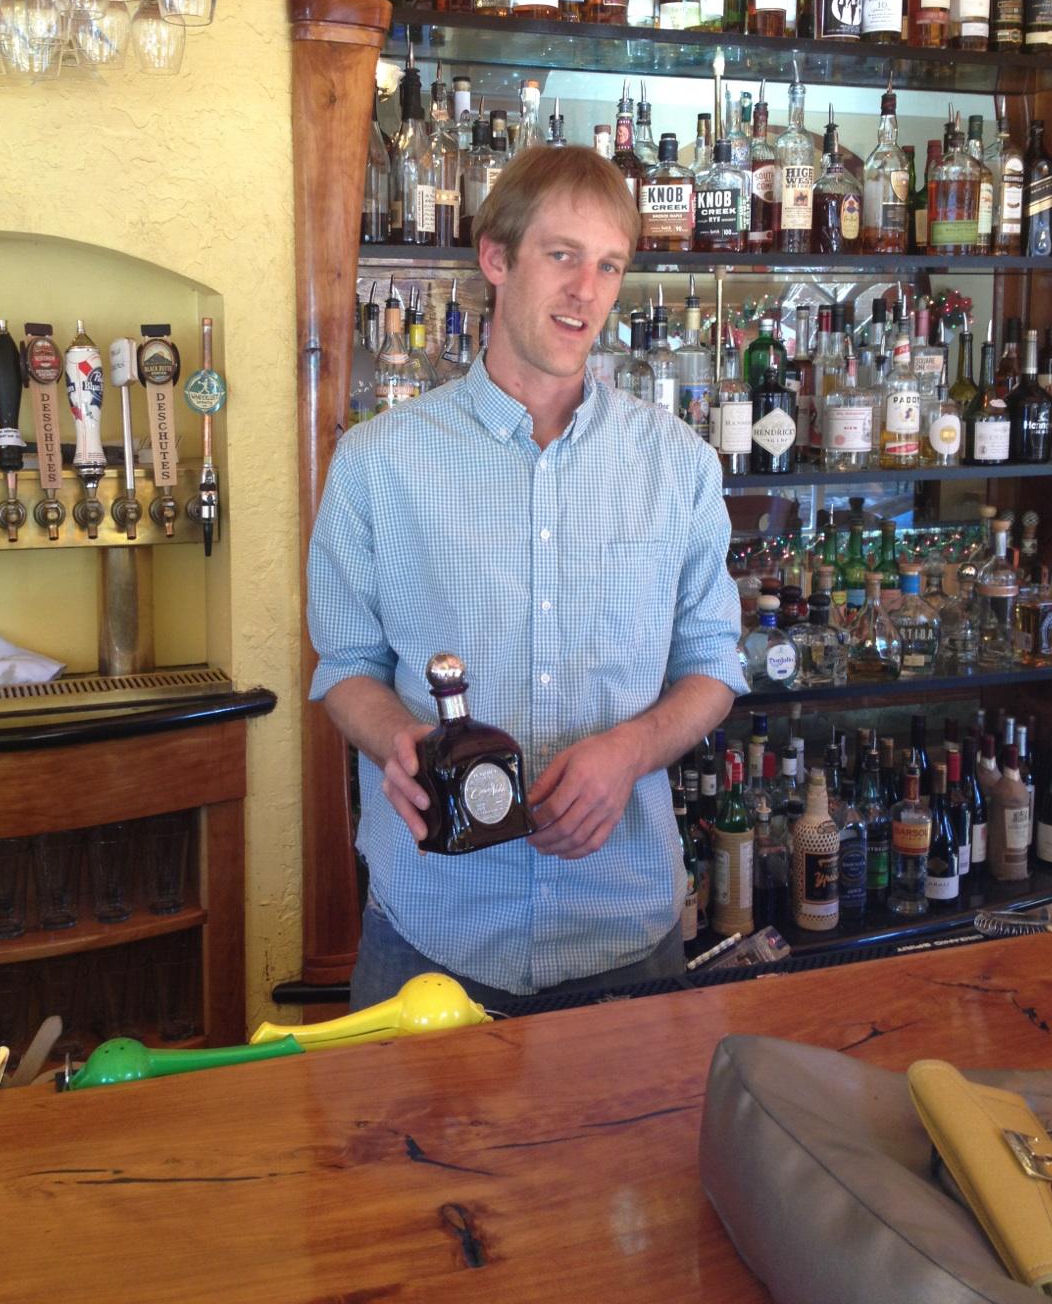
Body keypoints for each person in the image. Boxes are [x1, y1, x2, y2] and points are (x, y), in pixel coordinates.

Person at [308, 145, 745, 1010]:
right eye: (562, 255)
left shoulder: (679, 465)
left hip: (623, 927)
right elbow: (345, 668)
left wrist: (630, 751)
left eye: (609, 265)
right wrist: (402, 743)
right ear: (496, 258)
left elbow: (713, 666)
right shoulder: (376, 463)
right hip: (432, 929)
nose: (586, 290)